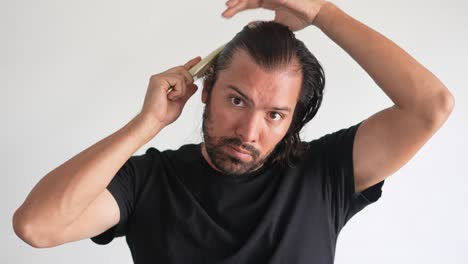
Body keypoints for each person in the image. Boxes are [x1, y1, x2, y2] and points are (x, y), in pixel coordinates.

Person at [13, 1, 454, 263]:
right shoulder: (149, 181)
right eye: (237, 100)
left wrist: (322, 11)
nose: (248, 130)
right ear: (206, 91)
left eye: (275, 115)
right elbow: (37, 226)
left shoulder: (325, 174)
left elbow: (430, 106)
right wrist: (146, 124)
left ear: (292, 120)